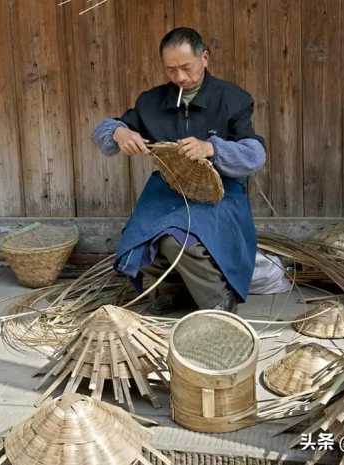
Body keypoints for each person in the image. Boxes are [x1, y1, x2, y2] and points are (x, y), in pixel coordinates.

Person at [92, 27, 266, 313]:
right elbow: (108, 128)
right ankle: (168, 292)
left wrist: (213, 148)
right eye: (171, 70)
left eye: (186, 67)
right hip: (167, 189)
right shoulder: (152, 102)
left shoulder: (232, 99)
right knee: (141, 235)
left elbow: (256, 155)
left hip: (219, 193)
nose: (180, 77)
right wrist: (119, 133)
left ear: (205, 58)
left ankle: (218, 302)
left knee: (176, 240)